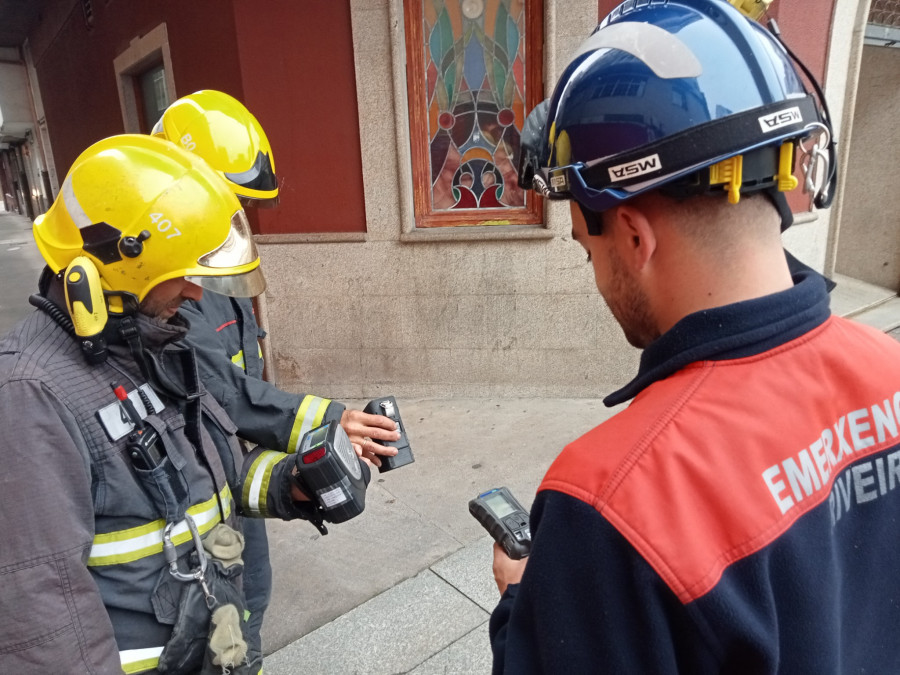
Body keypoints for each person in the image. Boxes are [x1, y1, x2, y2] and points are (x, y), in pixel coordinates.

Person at [489, 1, 900, 672]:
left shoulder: (611, 501)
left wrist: (525, 600)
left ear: (630, 234)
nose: (593, 273)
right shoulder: (891, 368)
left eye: (585, 250)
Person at [0, 134, 368, 674]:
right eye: (181, 274)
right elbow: (43, 625)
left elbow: (210, 471)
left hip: (212, 647)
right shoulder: (29, 394)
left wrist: (291, 483)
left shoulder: (150, 339)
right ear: (119, 266)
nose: (196, 295)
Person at [151, 89, 401, 667]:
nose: (234, 220)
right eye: (225, 202)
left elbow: (239, 385)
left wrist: (295, 477)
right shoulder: (163, 293)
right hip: (190, 498)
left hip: (232, 474)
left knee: (249, 603)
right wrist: (329, 418)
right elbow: (223, 388)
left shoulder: (210, 272)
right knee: (216, 628)